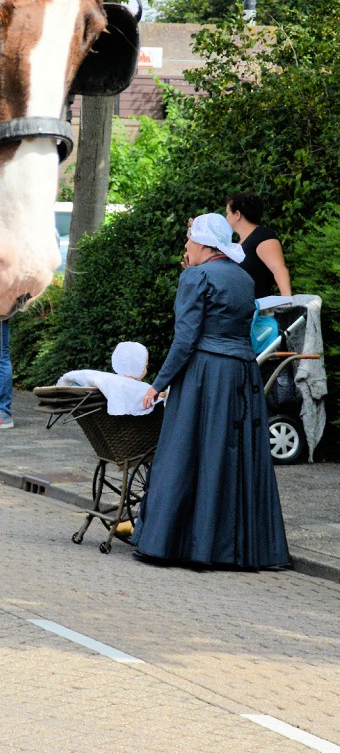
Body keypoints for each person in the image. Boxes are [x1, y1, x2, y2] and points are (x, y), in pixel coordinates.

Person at [133, 212, 289, 570]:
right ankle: (236, 550)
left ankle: (181, 544)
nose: (186, 245)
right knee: (233, 458)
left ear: (204, 244)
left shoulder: (196, 276)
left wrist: (158, 384)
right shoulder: (243, 277)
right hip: (242, 373)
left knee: (187, 452)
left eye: (190, 239)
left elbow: (186, 339)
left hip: (206, 374)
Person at [56, 341, 154, 415]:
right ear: (137, 366)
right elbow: (150, 396)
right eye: (145, 365)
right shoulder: (136, 386)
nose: (146, 369)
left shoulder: (114, 380)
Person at [226, 193, 291, 300]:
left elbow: (278, 268)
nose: (226, 218)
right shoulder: (240, 242)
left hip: (259, 309)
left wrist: (287, 300)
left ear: (237, 214)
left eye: (228, 213)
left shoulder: (262, 236)